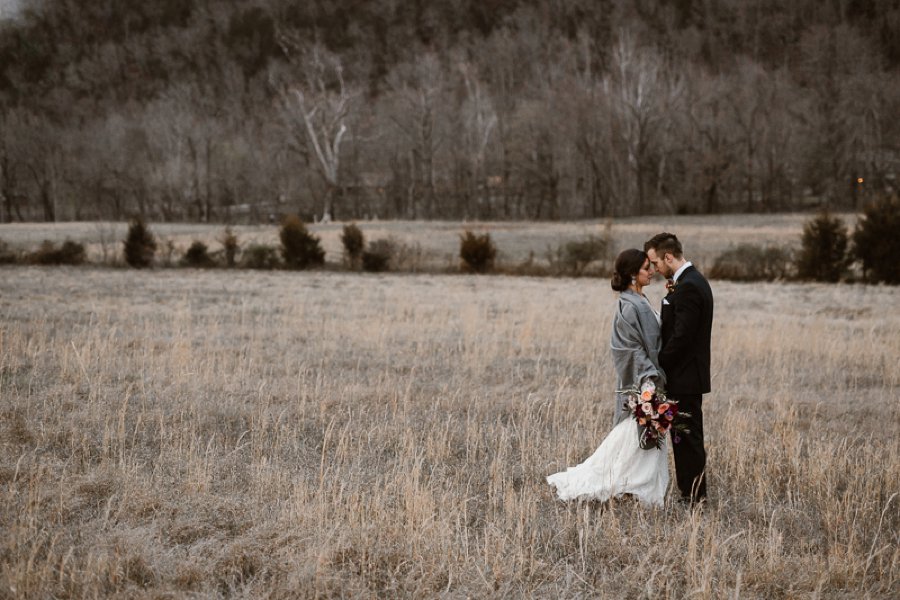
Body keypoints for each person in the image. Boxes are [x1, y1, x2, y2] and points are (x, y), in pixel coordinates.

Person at [546, 249, 669, 507]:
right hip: (645, 379)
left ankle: (636, 483)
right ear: (634, 274)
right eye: (647, 268)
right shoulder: (630, 304)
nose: (652, 271)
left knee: (646, 432)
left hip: (652, 377)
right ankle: (627, 484)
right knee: (634, 432)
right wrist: (648, 377)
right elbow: (628, 347)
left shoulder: (640, 299)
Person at [644, 233, 713, 506]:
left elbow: (682, 337)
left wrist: (659, 363)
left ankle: (695, 497)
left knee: (688, 438)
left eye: (655, 262)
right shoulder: (687, 283)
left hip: (686, 377)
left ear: (668, 257)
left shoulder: (690, 287)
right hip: (684, 376)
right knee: (682, 437)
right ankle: (690, 492)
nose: (654, 269)